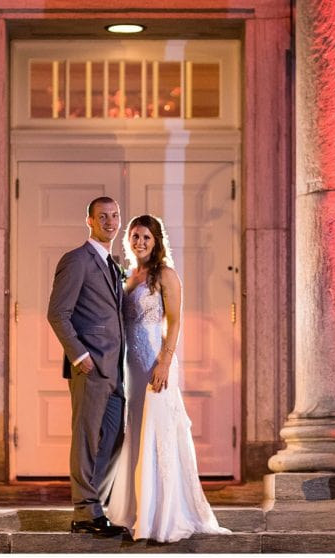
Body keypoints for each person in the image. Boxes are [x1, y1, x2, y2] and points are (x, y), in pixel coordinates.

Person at [107, 214, 230, 543]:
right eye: (135, 236)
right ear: (128, 240)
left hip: (156, 365)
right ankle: (136, 511)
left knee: (158, 435)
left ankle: (163, 516)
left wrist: (164, 361)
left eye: (147, 237)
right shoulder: (129, 276)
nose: (140, 242)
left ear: (157, 241)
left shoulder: (166, 275)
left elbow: (174, 323)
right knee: (136, 433)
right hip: (131, 368)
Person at [46, 196, 128, 537]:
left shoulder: (114, 263)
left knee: (112, 437)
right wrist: (80, 356)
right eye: (102, 216)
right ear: (89, 221)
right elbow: (57, 313)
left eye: (114, 216)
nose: (110, 221)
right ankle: (85, 513)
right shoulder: (76, 261)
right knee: (85, 438)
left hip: (116, 370)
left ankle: (96, 505)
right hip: (90, 368)